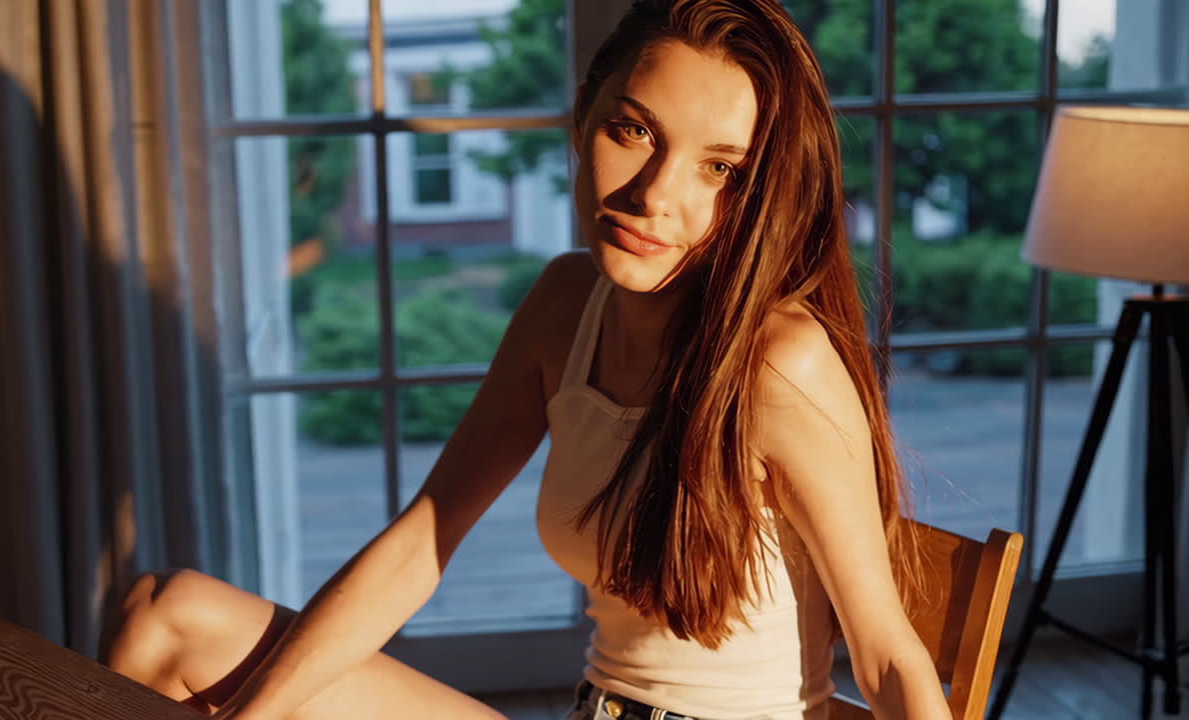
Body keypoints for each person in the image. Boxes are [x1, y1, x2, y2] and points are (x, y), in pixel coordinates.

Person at [98, 1, 950, 718]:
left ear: (759, 194)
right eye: (633, 130)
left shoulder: (780, 363)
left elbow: (886, 658)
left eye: (718, 168)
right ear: (584, 118)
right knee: (162, 618)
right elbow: (422, 542)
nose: (654, 194)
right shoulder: (564, 304)